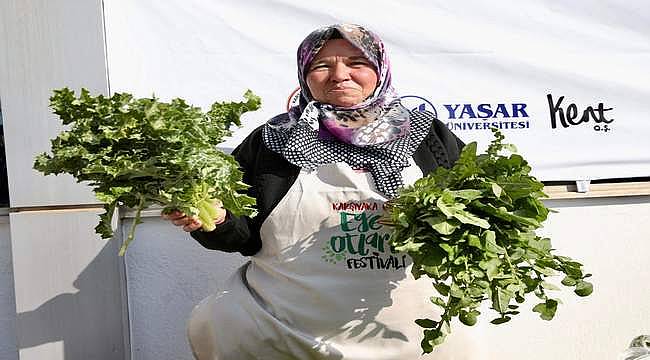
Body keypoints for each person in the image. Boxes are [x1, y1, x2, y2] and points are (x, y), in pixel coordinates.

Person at [164, 24, 480, 359]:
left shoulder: (426, 135)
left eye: (356, 63)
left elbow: (476, 215)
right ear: (304, 75)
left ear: (380, 69)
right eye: (321, 66)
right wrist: (215, 220)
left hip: (413, 336)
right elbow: (241, 235)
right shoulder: (274, 140)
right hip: (286, 336)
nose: (339, 75)